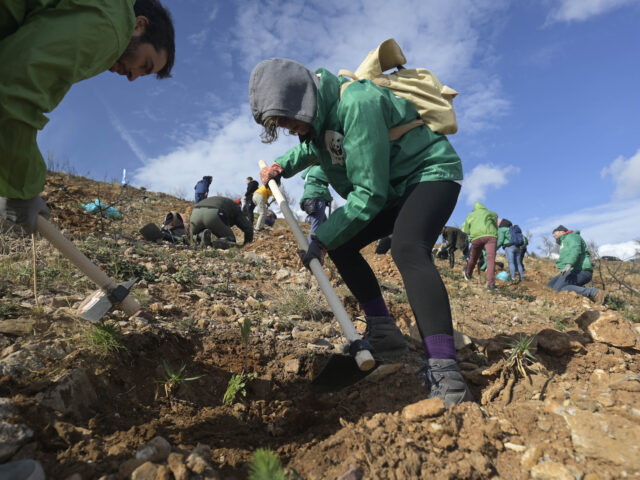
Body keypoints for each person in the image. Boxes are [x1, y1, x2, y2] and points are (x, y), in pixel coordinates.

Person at [250, 58, 472, 407]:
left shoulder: (357, 104)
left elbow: (369, 195)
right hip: (394, 186)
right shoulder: (319, 116)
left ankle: (446, 372)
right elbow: (312, 146)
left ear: (304, 101)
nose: (291, 128)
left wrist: (320, 237)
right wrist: (283, 166)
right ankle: (384, 333)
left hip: (429, 173)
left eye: (290, 119)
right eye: (282, 125)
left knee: (408, 247)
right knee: (343, 243)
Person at [0, 0, 175, 234]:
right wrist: (20, 187)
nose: (133, 77)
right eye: (144, 65)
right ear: (139, 25)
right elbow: (15, 90)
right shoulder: (112, 25)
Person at [547, 225, 605, 303]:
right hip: (572, 270)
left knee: (556, 290)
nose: (553, 235)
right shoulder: (563, 242)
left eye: (555, 233)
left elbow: (575, 250)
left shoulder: (572, 236)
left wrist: (569, 264)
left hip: (581, 270)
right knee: (549, 287)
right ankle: (579, 290)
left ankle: (593, 292)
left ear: (562, 232)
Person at [189, 196, 253, 248]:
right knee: (230, 239)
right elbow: (248, 227)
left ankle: (199, 238)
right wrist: (248, 244)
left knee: (194, 237)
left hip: (195, 213)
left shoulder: (223, 201)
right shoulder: (236, 208)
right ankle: (219, 242)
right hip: (213, 214)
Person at [461, 202, 498, 290]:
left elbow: (465, 230)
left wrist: (473, 230)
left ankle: (468, 273)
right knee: (490, 260)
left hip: (476, 238)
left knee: (473, 258)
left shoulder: (471, 215)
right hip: (490, 236)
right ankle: (491, 285)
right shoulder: (490, 213)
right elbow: (496, 216)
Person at [300, 165, 333, 240]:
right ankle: (311, 250)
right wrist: (329, 198)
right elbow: (332, 180)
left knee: (324, 225)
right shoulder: (319, 168)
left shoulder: (309, 170)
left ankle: (322, 246)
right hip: (317, 199)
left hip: (308, 200)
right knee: (315, 229)